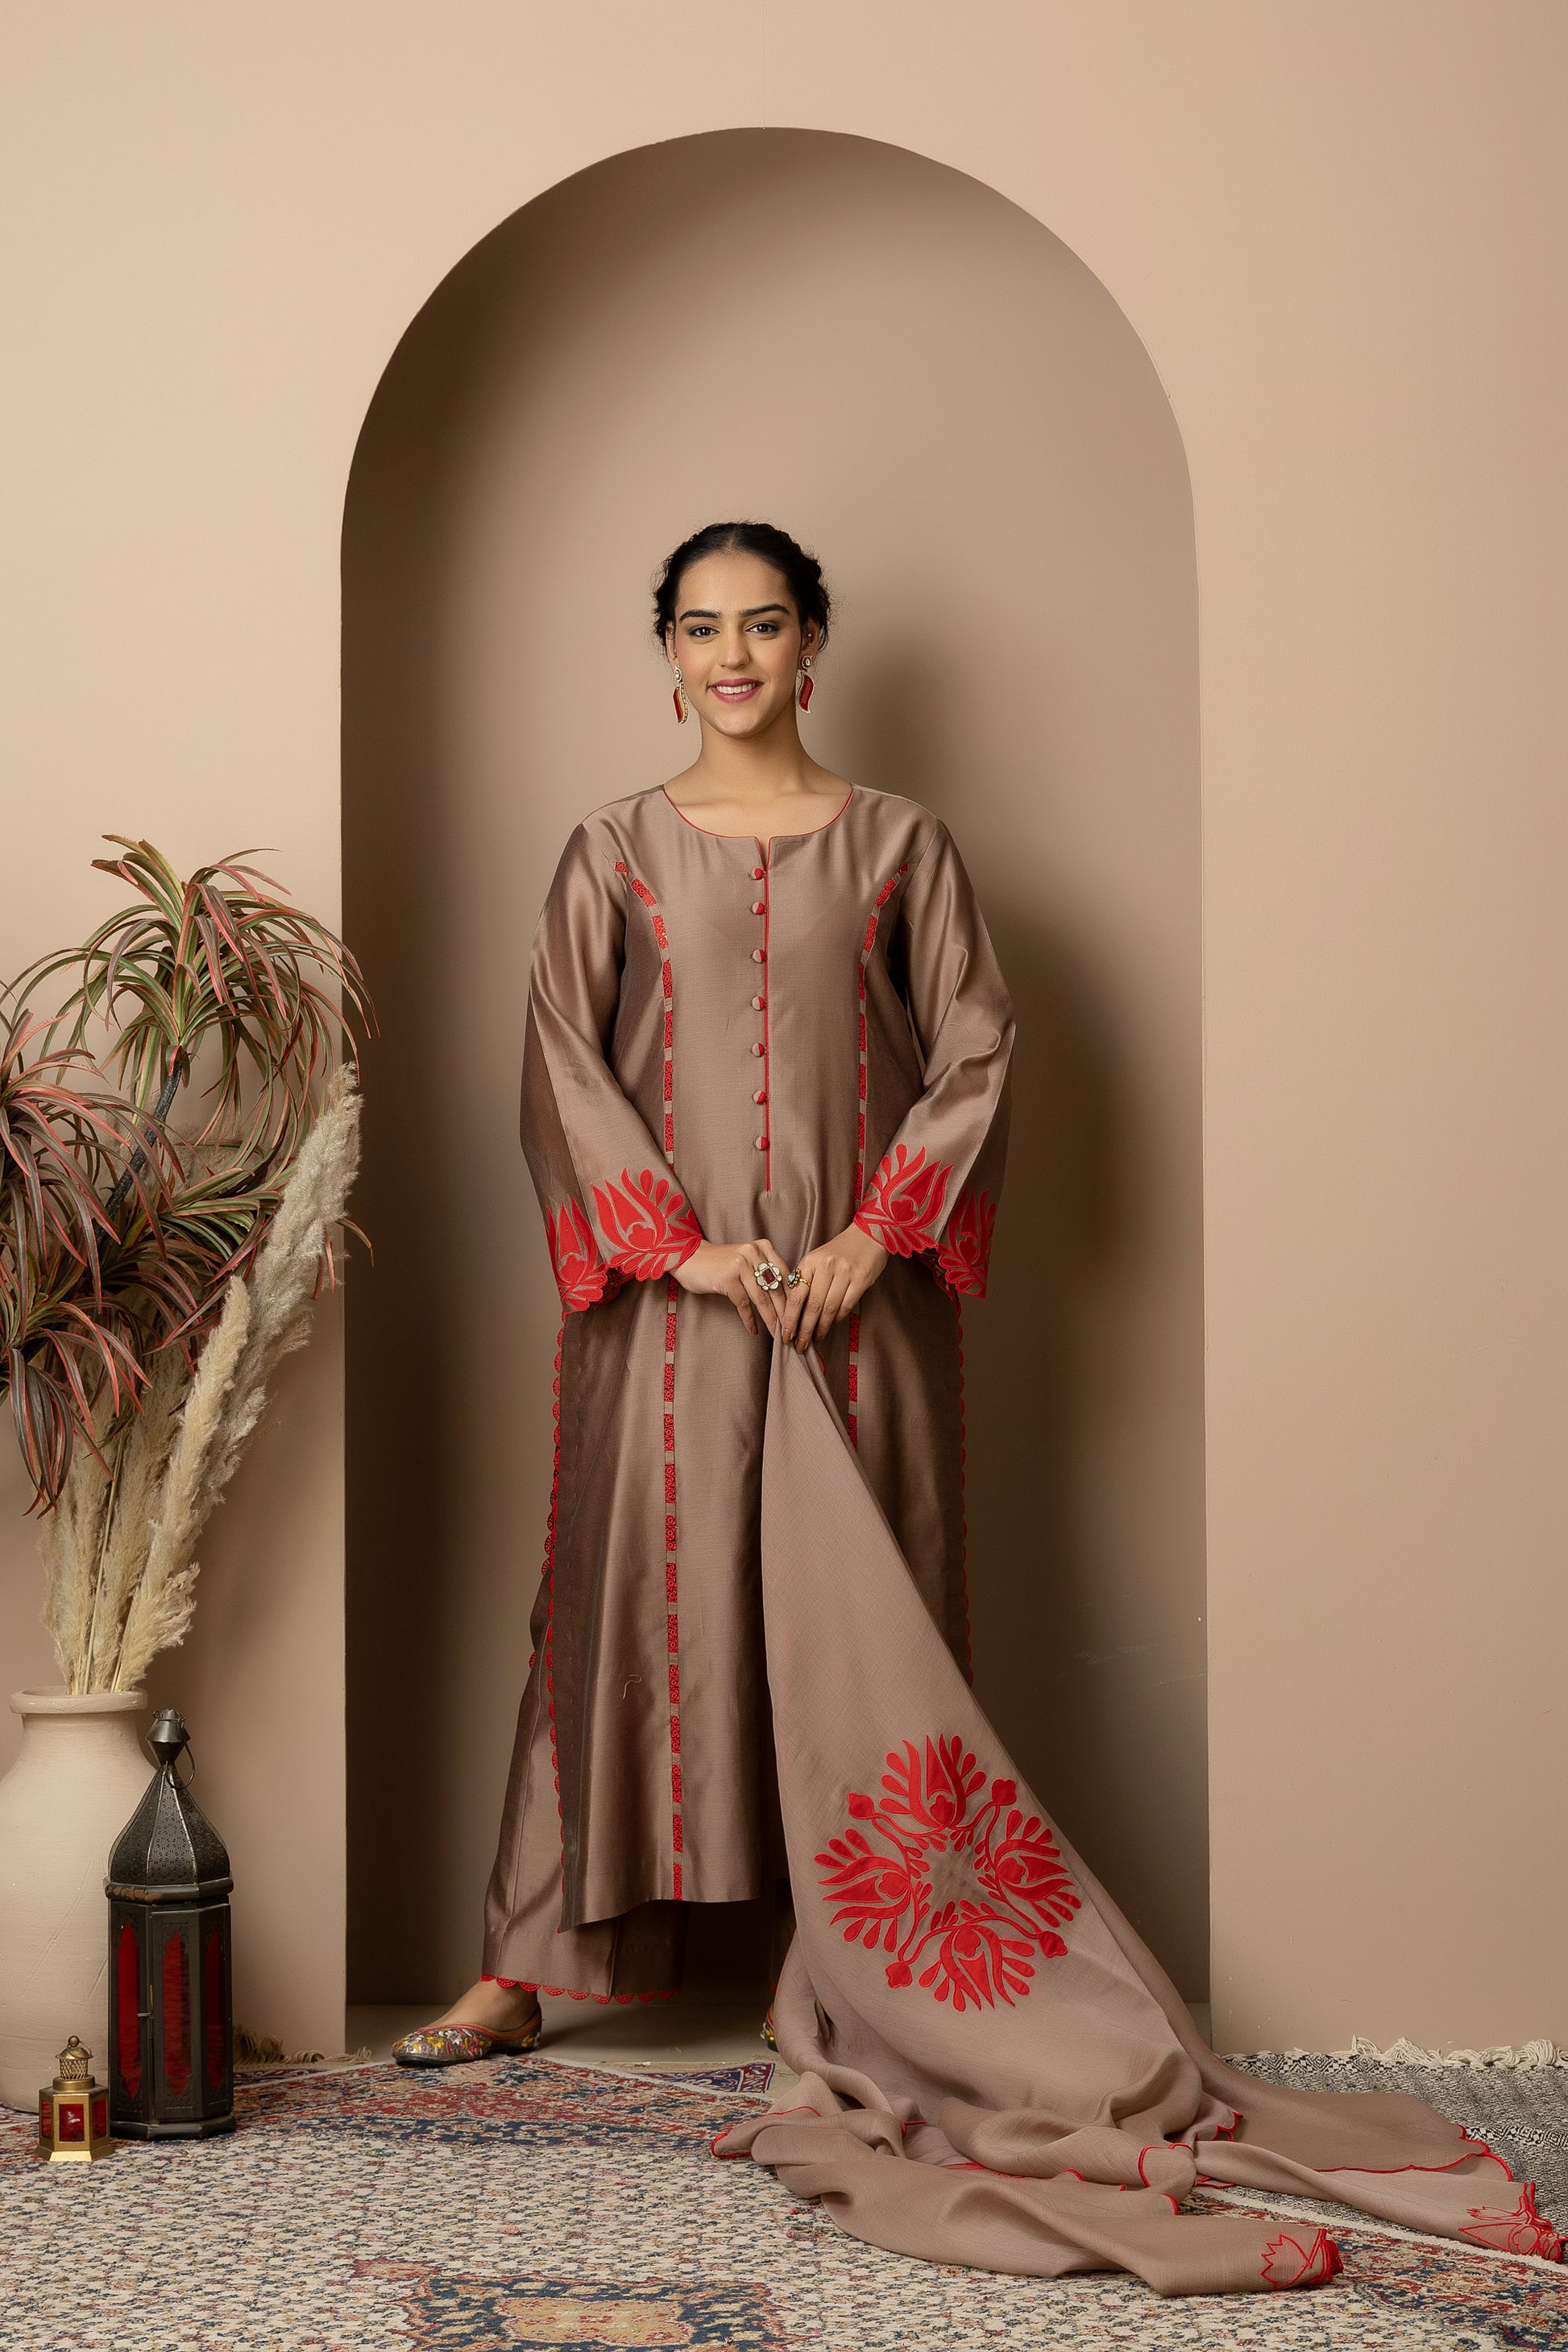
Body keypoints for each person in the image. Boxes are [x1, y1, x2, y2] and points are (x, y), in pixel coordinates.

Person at [393, 520, 1011, 2064]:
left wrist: (874, 1237)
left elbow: (976, 1049)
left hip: (859, 1306)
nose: (733, 654)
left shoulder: (904, 845)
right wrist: (683, 1253)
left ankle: (877, 1981)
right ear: (668, 657)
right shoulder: (609, 850)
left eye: (763, 623)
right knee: (621, 1611)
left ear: (813, 644)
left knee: (866, 1625)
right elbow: (560, 1058)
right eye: (700, 627)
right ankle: (521, 1971)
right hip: (669, 1311)